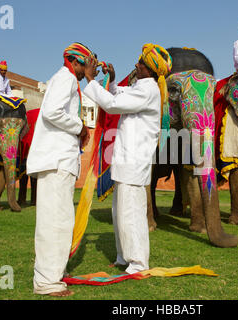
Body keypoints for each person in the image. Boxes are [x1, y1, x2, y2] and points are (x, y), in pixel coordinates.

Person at [83, 43, 172, 274]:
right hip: (126, 160)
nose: (136, 64)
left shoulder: (148, 89)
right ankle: (124, 256)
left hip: (134, 161)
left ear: (149, 70)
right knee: (120, 212)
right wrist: (111, 80)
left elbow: (113, 105)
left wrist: (90, 80)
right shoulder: (140, 86)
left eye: (141, 62)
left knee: (131, 213)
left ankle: (138, 262)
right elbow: (118, 94)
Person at [26, 42, 92, 297]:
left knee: (60, 221)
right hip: (56, 161)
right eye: (88, 63)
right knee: (54, 223)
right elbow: (53, 112)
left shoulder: (66, 80)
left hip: (60, 161)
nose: (90, 69)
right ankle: (46, 281)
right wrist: (80, 127)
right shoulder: (65, 78)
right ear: (77, 62)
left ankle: (53, 274)